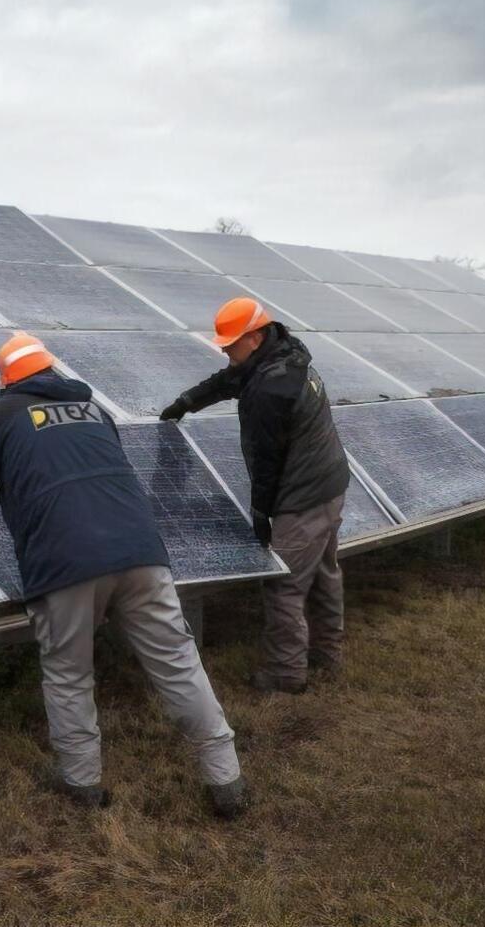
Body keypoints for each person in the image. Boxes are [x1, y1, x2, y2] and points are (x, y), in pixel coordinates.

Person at [0, 332, 247, 817]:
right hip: (141, 553)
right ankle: (226, 779)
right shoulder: (96, 412)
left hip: (65, 564)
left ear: (7, 381)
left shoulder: (5, 417)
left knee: (70, 674)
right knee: (179, 663)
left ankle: (82, 785)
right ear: (52, 371)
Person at [160, 297, 351, 694]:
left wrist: (261, 513)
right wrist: (186, 403)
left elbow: (267, 462)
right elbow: (228, 380)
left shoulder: (271, 388)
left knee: (284, 584)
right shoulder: (282, 356)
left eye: (231, 343)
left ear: (256, 337)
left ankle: (285, 675)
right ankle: (326, 653)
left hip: (303, 496)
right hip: (330, 484)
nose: (225, 350)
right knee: (324, 572)